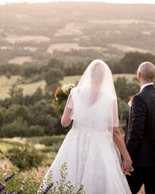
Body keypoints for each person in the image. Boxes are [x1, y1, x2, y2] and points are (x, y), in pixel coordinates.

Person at [41, 59, 133, 194]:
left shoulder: (75, 93)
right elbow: (115, 132)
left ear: (89, 74)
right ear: (104, 77)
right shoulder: (110, 99)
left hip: (75, 142)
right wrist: (127, 158)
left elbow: (64, 122)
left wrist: (68, 107)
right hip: (100, 145)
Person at [125, 61, 155, 194]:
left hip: (140, 159)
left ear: (138, 74)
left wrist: (126, 155)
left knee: (126, 191)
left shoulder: (139, 99)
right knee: (152, 191)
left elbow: (136, 133)